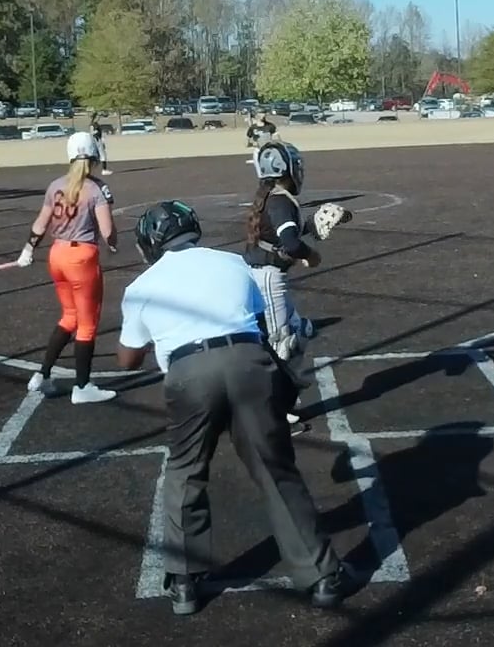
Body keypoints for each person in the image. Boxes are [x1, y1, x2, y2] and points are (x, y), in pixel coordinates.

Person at [115, 199, 356, 616]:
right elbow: (258, 322)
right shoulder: (231, 262)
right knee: (275, 468)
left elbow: (127, 360)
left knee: (186, 471)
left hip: (189, 373)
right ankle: (322, 577)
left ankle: (185, 583)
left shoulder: (140, 286)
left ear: (150, 244)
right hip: (249, 362)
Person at [18, 132, 118, 404]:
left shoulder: (55, 186)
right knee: (87, 324)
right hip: (81, 258)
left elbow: (40, 224)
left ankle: (42, 374)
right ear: (94, 156)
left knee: (69, 318)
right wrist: (114, 245)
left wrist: (28, 249)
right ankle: (82, 387)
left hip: (57, 254)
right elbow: (108, 231)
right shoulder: (97, 189)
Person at [242, 139, 321, 426]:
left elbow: (280, 237)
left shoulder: (272, 196)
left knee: (300, 332)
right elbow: (289, 243)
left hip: (265, 274)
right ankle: (274, 411)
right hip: (268, 277)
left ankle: (284, 394)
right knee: (281, 343)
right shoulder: (279, 200)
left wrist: (311, 226)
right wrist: (310, 254)